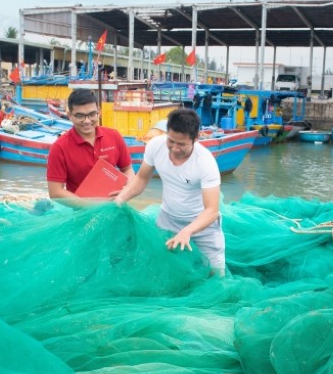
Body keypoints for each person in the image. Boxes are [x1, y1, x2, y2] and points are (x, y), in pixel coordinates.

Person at [114, 108, 225, 274]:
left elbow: (212, 211)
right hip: (168, 219)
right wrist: (121, 198)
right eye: (171, 141)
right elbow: (141, 178)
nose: (175, 148)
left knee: (215, 273)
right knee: (161, 267)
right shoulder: (155, 146)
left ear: (196, 138)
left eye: (182, 144)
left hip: (201, 223)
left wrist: (187, 231)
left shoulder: (205, 162)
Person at [46, 88, 133, 201]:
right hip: (80, 209)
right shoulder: (59, 147)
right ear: (70, 115)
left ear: (99, 112)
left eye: (92, 114)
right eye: (80, 116)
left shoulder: (114, 136)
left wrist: (127, 189)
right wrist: (91, 205)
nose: (87, 121)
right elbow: (55, 192)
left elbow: (127, 169)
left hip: (114, 204)